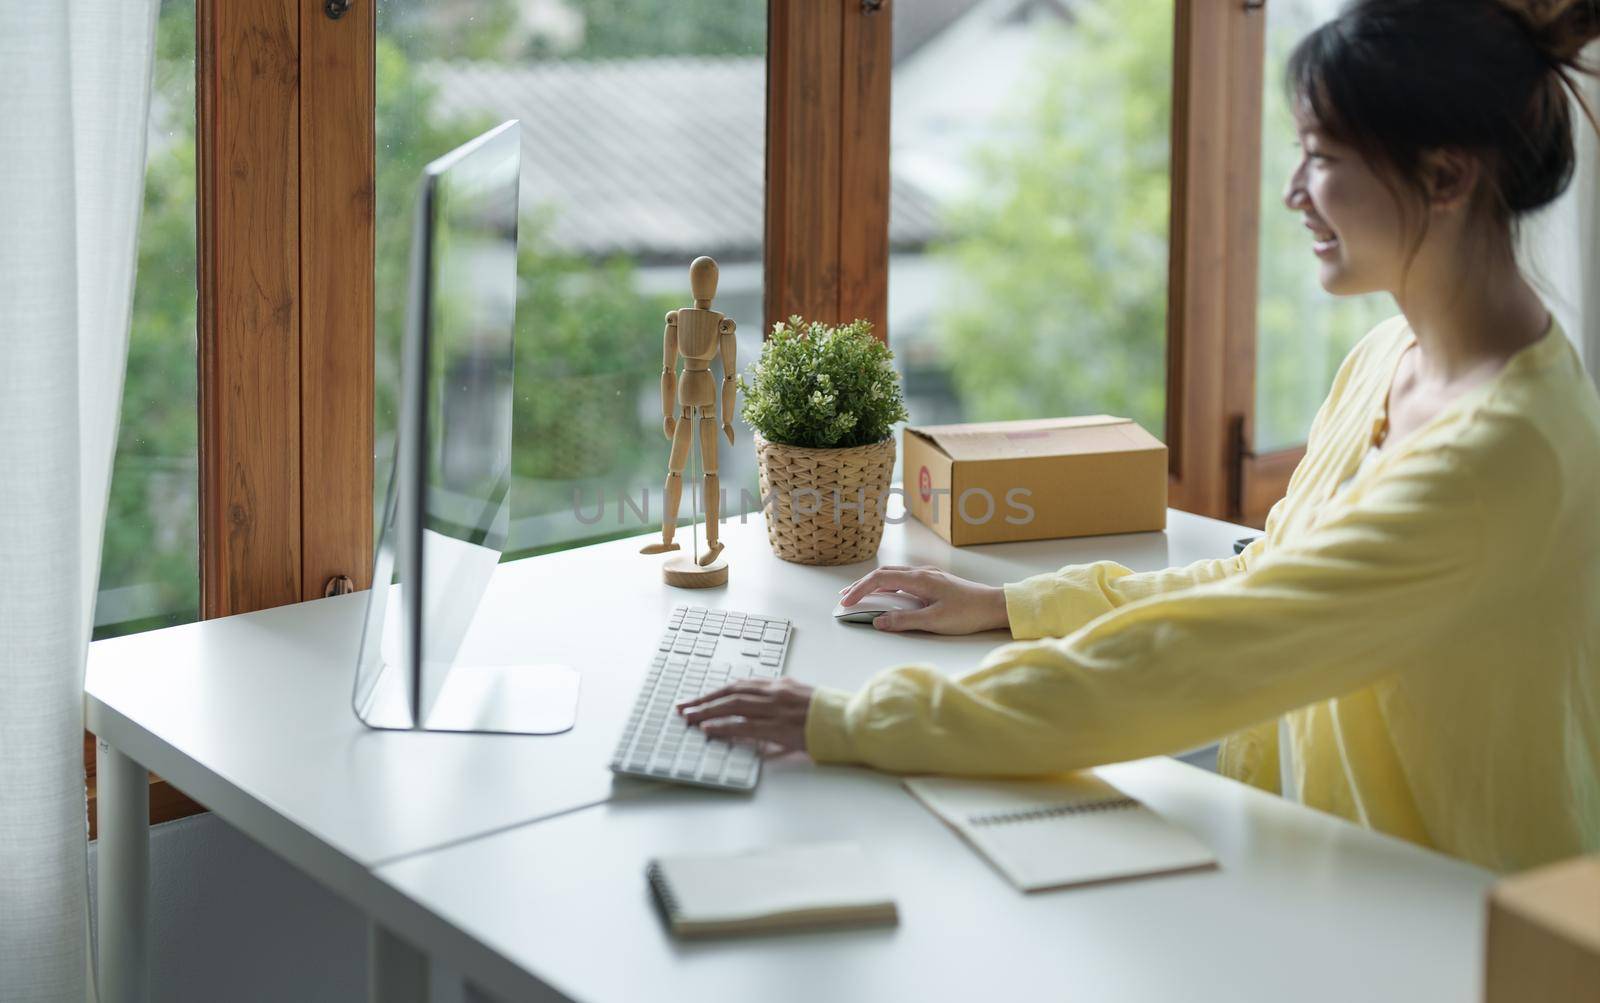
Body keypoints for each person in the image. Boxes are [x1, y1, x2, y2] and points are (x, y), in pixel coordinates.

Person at [680, 0, 1600, 873]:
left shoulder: (1502, 458)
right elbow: (1269, 572)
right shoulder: (1390, 353)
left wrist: (857, 719)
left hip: (1463, 932)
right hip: (1336, 876)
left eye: (1321, 156)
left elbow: (1218, 648)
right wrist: (1012, 606)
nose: (1291, 193)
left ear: (1445, 175)